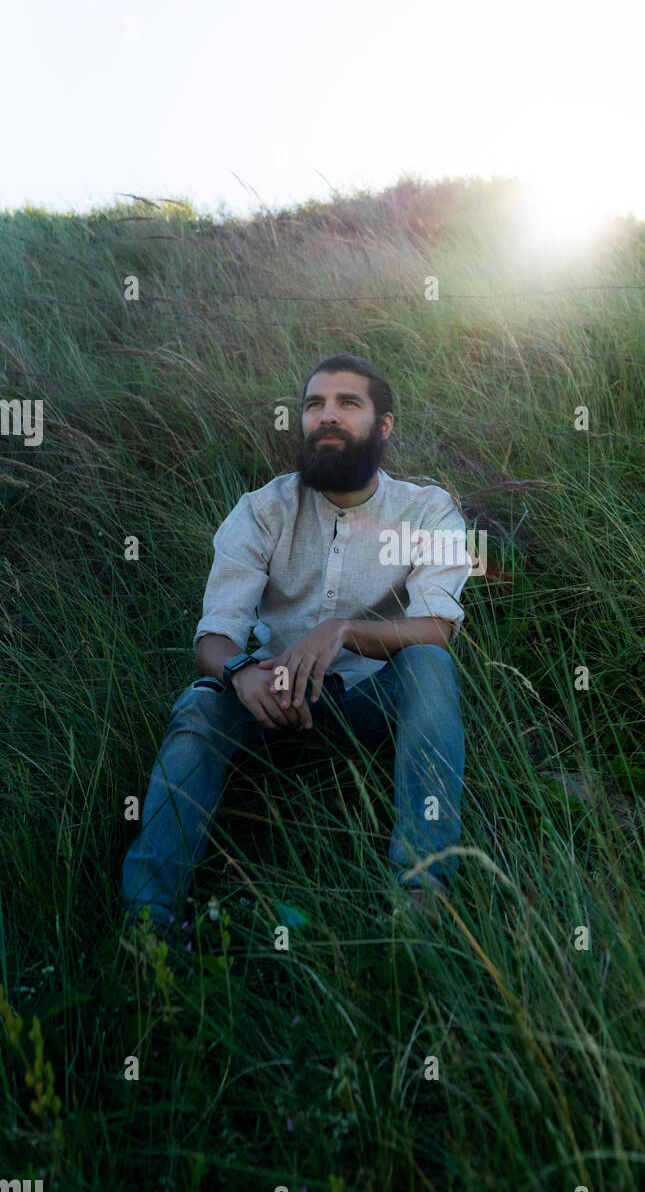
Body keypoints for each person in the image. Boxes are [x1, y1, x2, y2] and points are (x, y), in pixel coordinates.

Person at [121, 353, 473, 935]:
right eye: (315, 405)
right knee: (200, 704)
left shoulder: (427, 510)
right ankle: (148, 929)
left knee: (429, 666)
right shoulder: (264, 509)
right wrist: (242, 674)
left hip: (366, 709)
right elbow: (214, 637)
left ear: (384, 426)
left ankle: (420, 898)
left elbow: (438, 627)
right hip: (269, 703)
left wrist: (343, 632)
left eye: (347, 404)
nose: (326, 417)